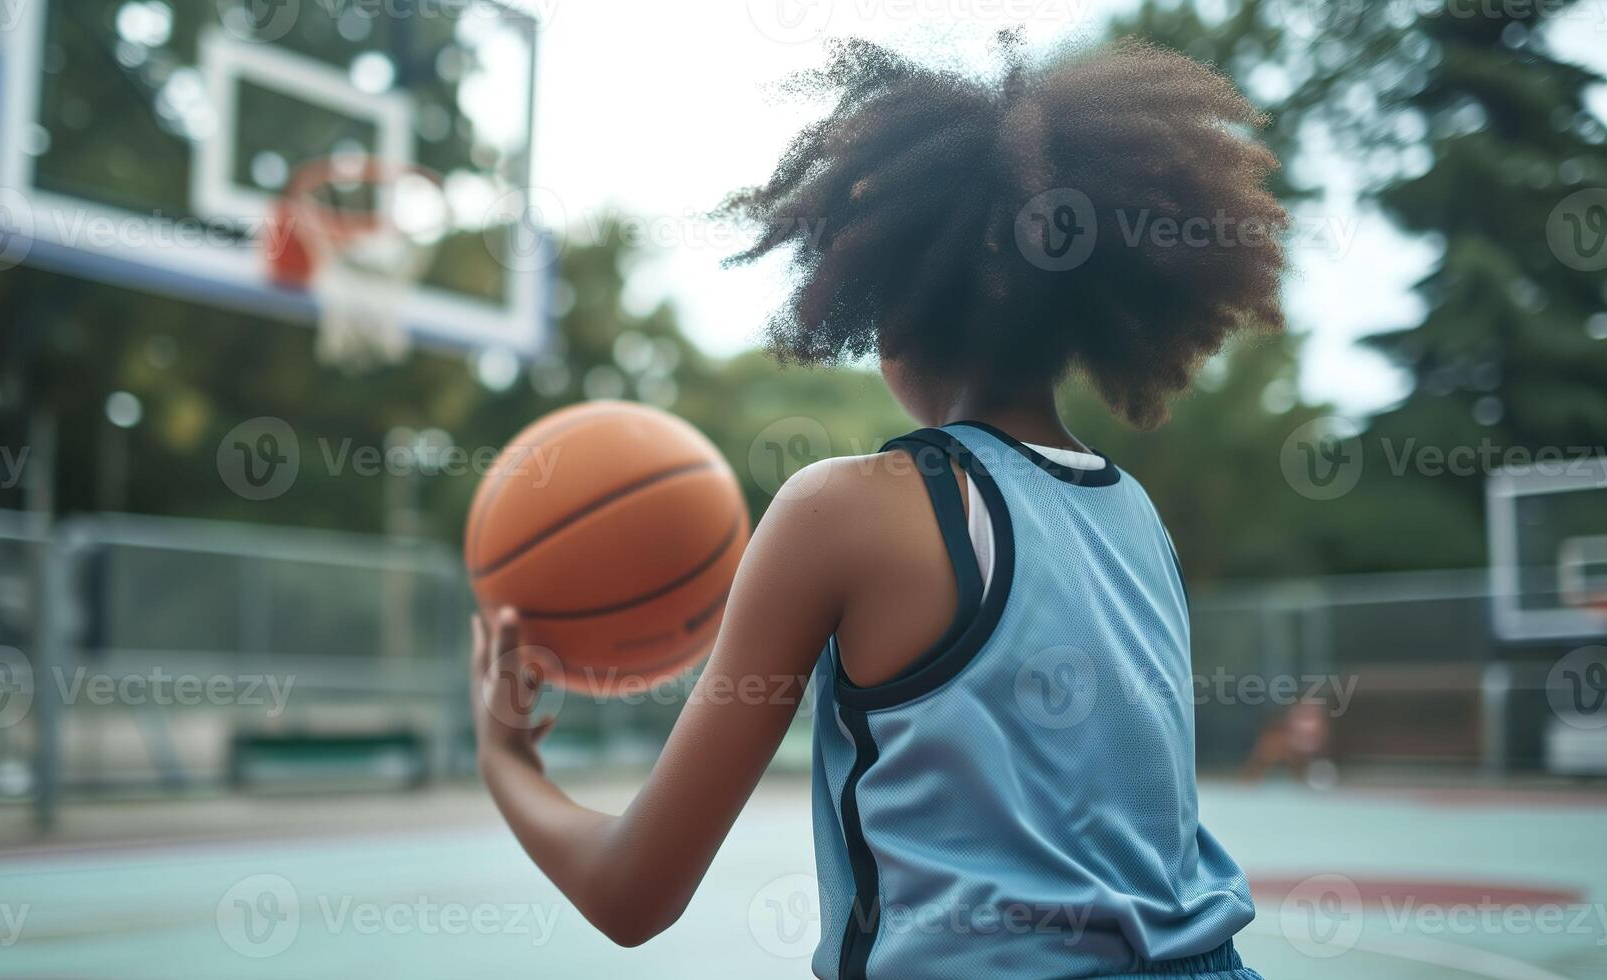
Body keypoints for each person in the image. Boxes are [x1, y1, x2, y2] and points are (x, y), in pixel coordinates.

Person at [472, 34, 1285, 979]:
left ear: (880, 293)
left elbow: (631, 893)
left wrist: (507, 760)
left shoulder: (843, 509)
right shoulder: (1133, 515)